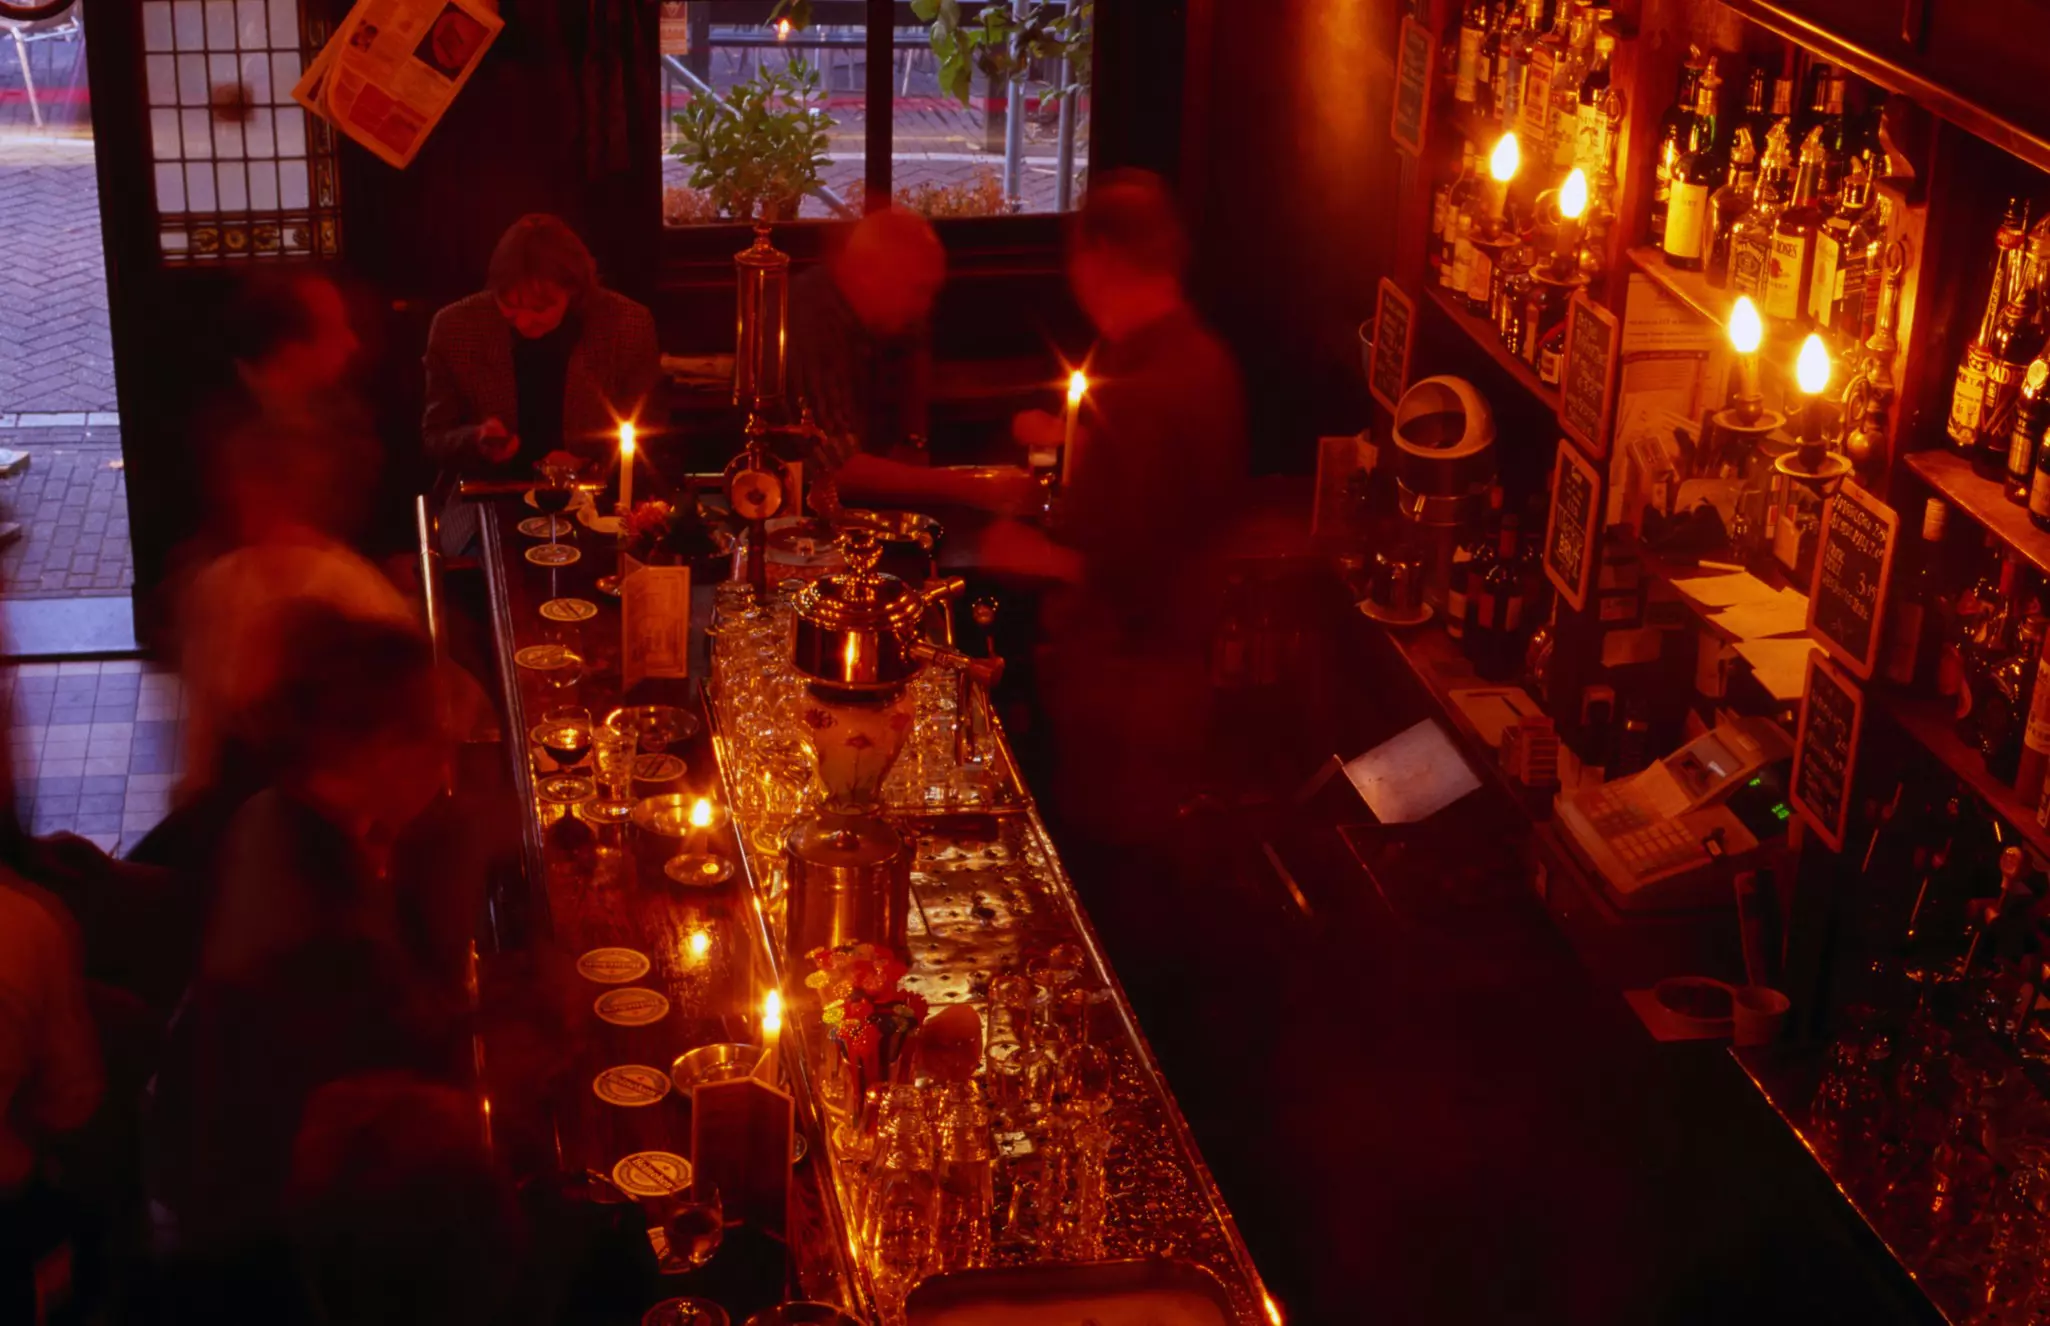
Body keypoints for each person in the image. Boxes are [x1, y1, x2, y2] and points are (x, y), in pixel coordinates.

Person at [146, 608, 470, 1280]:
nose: (448, 753)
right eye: (432, 732)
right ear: (379, 747)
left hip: (192, 1160)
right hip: (260, 1260)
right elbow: (396, 1147)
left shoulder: (268, 813)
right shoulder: (335, 946)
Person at [980, 169, 1249, 843]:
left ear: (1099, 253)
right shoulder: (1200, 357)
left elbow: (1139, 572)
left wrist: (1030, 554)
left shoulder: (1146, 385)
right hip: (1170, 686)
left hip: (1128, 701)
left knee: (1116, 891)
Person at [789, 206, 1035, 515]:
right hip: (795, 518)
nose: (926, 307)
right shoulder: (808, 322)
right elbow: (840, 472)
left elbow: (916, 342)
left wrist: (913, 438)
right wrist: (971, 486)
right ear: (867, 274)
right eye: (919, 291)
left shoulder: (874, 308)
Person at [423, 213, 660, 482]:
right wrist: (476, 439)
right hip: (486, 492)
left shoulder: (627, 325)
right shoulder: (455, 326)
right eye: (510, 308)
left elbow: (650, 437)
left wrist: (588, 466)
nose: (524, 321)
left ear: (573, 289)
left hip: (594, 496)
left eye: (540, 308)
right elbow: (435, 438)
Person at [198, 271, 379, 553]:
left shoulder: (339, 413)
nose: (352, 343)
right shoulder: (223, 431)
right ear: (291, 351)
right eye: (336, 331)